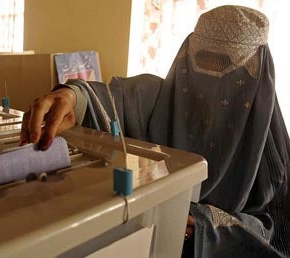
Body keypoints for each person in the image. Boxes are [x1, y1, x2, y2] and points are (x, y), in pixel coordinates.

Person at [20, 5, 290, 258]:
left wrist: (208, 227)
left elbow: (276, 234)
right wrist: (71, 96)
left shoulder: (274, 156)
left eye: (226, 67)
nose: (212, 84)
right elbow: (110, 98)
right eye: (203, 61)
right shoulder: (159, 101)